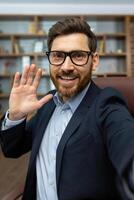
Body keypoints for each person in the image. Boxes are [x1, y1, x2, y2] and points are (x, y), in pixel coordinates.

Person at [0, 17, 134, 200]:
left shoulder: (107, 104)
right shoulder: (48, 103)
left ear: (94, 61)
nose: (66, 67)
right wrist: (15, 116)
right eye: (58, 56)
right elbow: (12, 149)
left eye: (78, 55)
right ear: (50, 59)